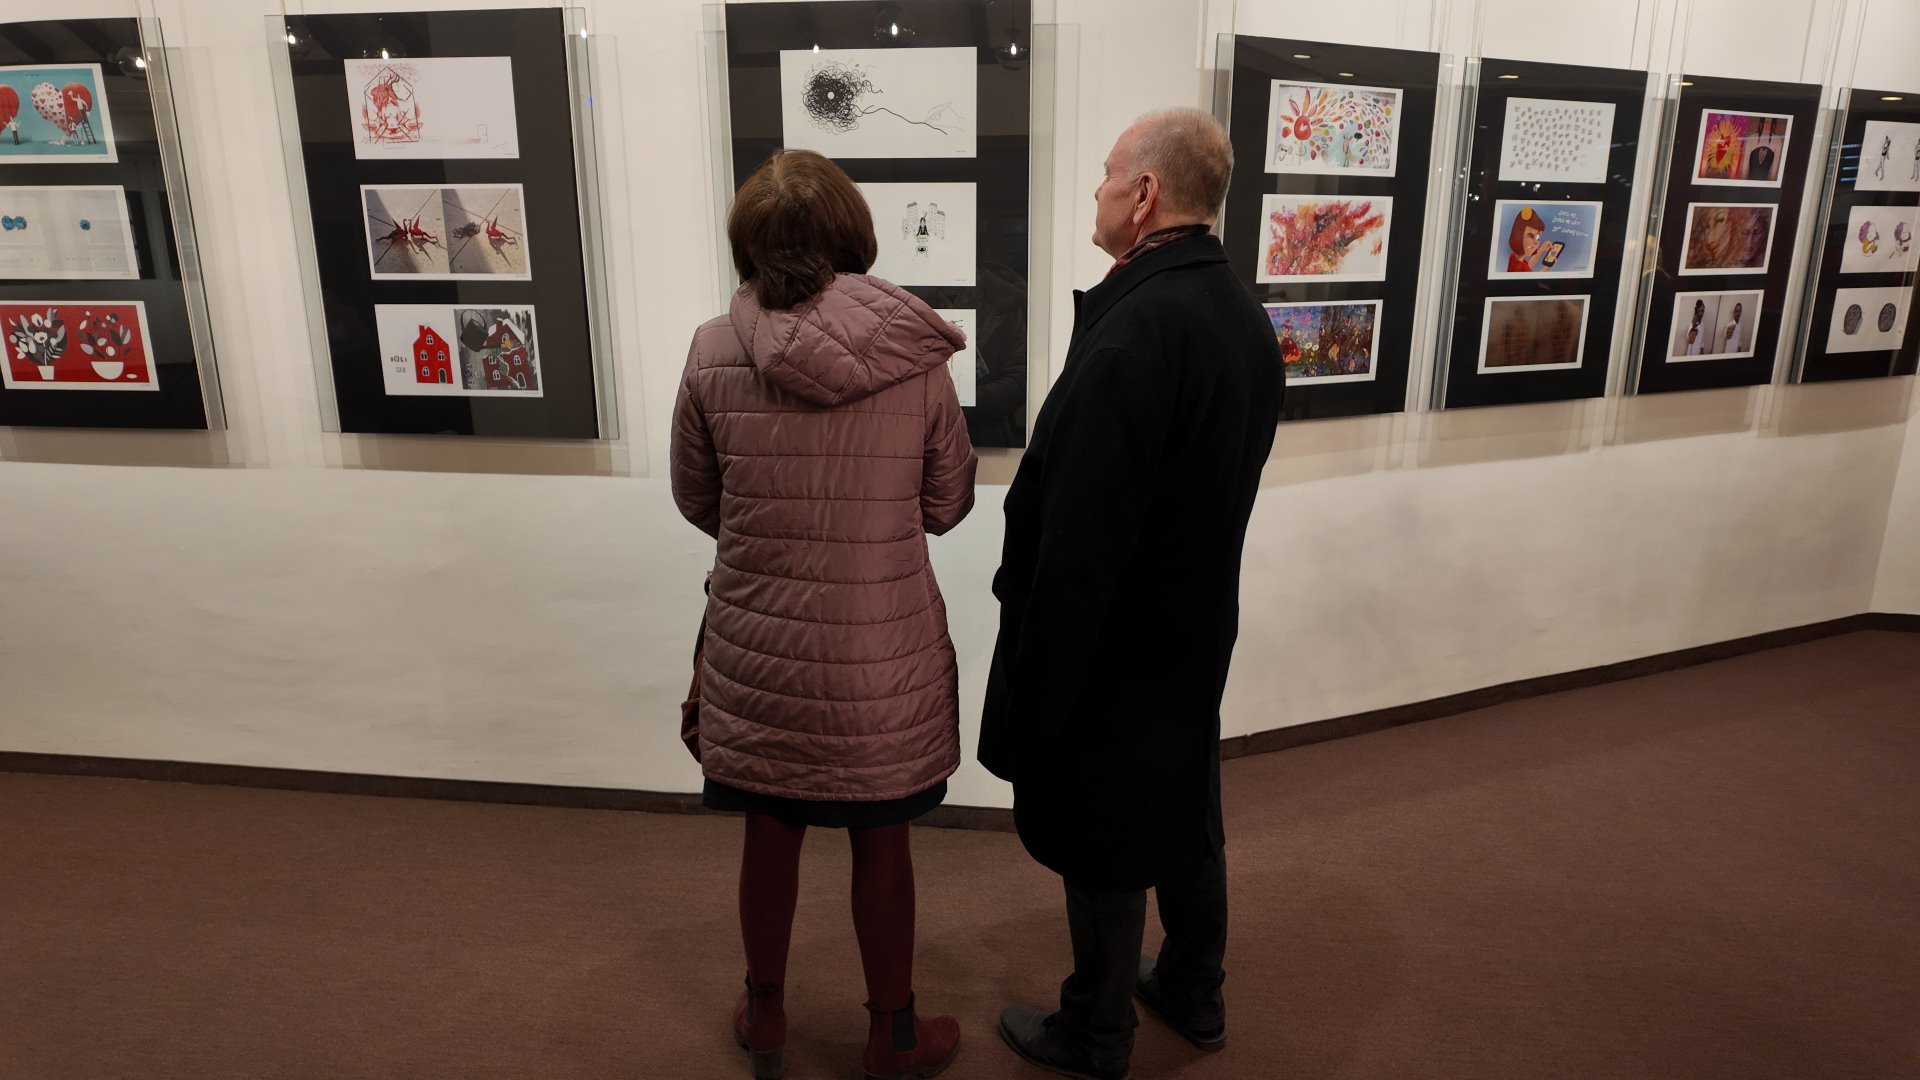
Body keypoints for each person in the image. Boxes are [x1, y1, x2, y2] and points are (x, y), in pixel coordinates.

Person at [979, 108, 1285, 1080]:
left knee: (1104, 823)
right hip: (1193, 625)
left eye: (1110, 173)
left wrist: (1041, 674)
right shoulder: (1237, 312)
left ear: (1146, 193)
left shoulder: (1139, 330)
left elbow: (1083, 537)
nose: (1099, 189)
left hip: (1116, 640)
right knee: (1184, 799)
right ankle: (1193, 987)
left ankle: (1096, 1030)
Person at [671, 148, 977, 1080]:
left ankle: (766, 1015)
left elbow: (697, 497)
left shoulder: (711, 349)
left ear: (749, 244)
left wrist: (771, 537)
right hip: (879, 651)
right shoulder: (915, 356)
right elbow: (947, 504)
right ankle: (893, 1035)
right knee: (882, 838)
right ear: (852, 235)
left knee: (770, 828)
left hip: (757, 644)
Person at [1506, 206, 1547, 273]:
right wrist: (1547, 267)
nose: (1536, 242)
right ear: (1518, 235)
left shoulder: (1514, 257)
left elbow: (1527, 266)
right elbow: (1533, 276)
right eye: (1530, 235)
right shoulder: (1516, 268)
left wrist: (1543, 248)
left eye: (1538, 237)